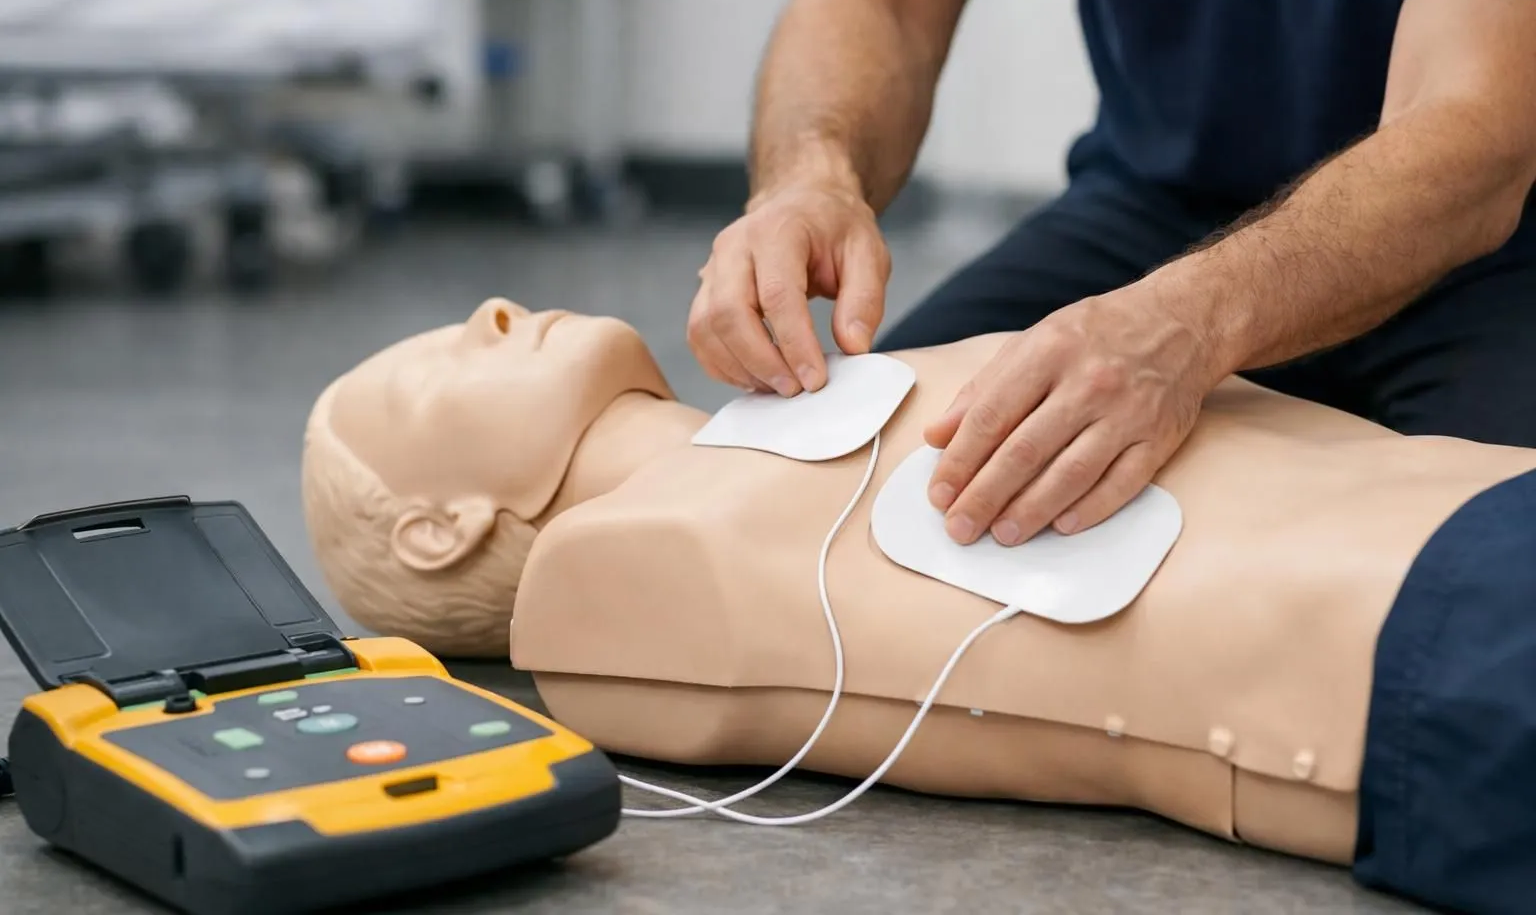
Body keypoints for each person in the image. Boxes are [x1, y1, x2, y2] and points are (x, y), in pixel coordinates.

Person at [303, 298, 1536, 915]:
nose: (493, 314)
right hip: (1429, 641)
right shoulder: (622, 571)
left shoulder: (814, 400)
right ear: (437, 527)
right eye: (428, 368)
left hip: (1480, 507)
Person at [685, 0, 1536, 557]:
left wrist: (1193, 322)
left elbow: (1470, 132)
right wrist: (810, 179)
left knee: (1485, 596)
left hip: (1486, 254)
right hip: (1150, 210)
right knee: (838, 499)